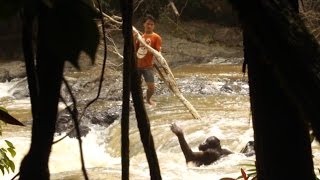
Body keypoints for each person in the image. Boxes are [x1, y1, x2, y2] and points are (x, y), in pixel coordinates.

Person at [170, 123, 254, 166]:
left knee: (250, 144)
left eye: (206, 142)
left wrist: (180, 135)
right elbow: (241, 156)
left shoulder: (208, 153)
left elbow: (188, 154)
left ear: (210, 147)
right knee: (250, 143)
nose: (203, 143)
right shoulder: (224, 151)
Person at [134, 14, 162, 106]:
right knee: (136, 86)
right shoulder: (140, 37)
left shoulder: (156, 37)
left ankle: (148, 100)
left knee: (151, 88)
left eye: (151, 24)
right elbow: (135, 50)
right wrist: (134, 40)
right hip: (137, 65)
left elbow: (158, 52)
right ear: (144, 24)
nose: (149, 26)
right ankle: (138, 103)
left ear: (154, 26)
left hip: (148, 66)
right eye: (148, 24)